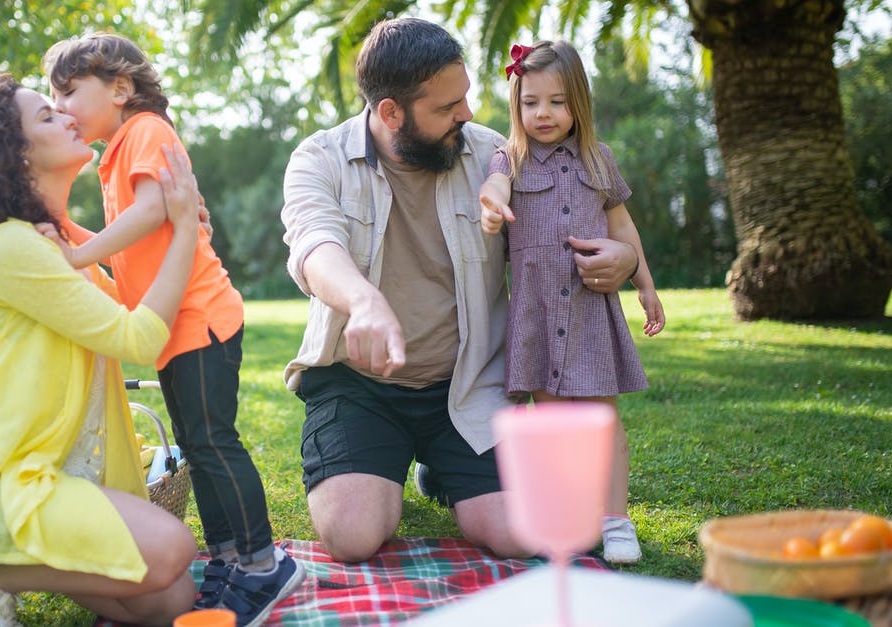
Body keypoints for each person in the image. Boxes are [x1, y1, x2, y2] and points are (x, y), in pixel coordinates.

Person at [280, 17, 641, 564]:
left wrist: (624, 257)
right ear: (391, 113)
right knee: (353, 534)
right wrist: (363, 302)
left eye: (465, 97)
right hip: (358, 386)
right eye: (448, 107)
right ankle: (388, 462)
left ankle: (441, 469)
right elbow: (313, 244)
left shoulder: (496, 155)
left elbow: (576, 225)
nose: (467, 114)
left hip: (469, 387)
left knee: (525, 534)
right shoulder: (320, 158)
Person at [0, 74, 203, 627]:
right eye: (46, 116)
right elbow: (135, 337)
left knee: (170, 599)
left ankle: (17, 566)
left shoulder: (50, 243)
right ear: (13, 157)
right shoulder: (10, 245)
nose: (67, 115)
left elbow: (134, 299)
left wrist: (163, 223)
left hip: (39, 471)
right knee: (172, 549)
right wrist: (182, 231)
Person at [41, 33, 304, 626]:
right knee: (197, 448)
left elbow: (155, 213)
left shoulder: (146, 132)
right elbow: (129, 249)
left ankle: (265, 565)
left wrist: (77, 256)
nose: (60, 108)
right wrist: (66, 233)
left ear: (120, 87)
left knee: (213, 443)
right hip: (171, 329)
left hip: (200, 322)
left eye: (68, 92)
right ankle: (229, 560)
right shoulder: (115, 154)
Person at [478, 40, 665, 564]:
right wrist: (492, 204)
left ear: (578, 102)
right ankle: (570, 516)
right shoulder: (508, 159)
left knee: (603, 422)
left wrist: (644, 284)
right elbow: (493, 186)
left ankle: (615, 518)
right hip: (536, 315)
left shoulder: (597, 158)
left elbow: (622, 225)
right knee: (553, 423)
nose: (543, 113)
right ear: (516, 105)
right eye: (531, 101)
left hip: (589, 312)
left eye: (557, 101)